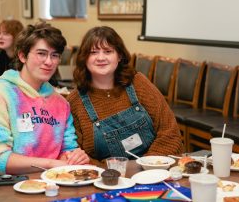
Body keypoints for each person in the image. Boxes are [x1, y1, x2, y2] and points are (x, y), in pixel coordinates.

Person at [0, 22, 89, 180]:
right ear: (22, 56)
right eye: (41, 53)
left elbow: (68, 149)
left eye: (55, 55)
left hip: (49, 185)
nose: (49, 62)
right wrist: (51, 164)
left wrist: (74, 157)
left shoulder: (61, 103)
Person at [67, 26, 183, 164]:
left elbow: (169, 132)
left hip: (154, 170)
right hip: (107, 178)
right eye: (93, 52)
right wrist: (113, 172)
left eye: (108, 51)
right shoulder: (75, 102)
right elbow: (79, 157)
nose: (101, 58)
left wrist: (146, 166)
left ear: (119, 56)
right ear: (84, 58)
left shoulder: (139, 84)